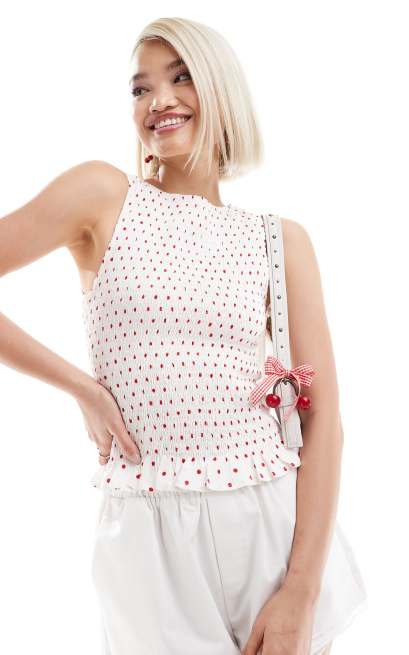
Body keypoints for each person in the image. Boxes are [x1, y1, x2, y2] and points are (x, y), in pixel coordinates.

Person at [0, 16, 367, 655]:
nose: (159, 99)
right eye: (140, 88)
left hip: (271, 528)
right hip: (148, 537)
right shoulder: (103, 197)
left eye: (181, 77)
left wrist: (301, 591)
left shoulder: (279, 241)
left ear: (220, 88)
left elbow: (324, 418)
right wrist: (83, 389)